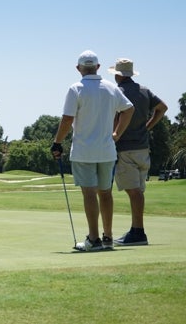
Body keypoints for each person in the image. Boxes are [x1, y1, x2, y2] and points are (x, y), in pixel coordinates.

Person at [51, 50, 135, 251]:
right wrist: (117, 133)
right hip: (107, 150)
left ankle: (94, 239)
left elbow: (67, 119)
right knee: (105, 193)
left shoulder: (76, 88)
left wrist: (57, 143)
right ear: (97, 67)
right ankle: (107, 237)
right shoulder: (110, 88)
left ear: (78, 68)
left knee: (89, 193)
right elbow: (129, 109)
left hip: (83, 151)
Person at [108, 58, 168, 246]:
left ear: (118, 75)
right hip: (143, 148)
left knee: (134, 191)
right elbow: (162, 108)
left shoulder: (117, 92)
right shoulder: (144, 91)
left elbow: (114, 118)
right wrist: (147, 127)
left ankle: (138, 232)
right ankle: (136, 230)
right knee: (137, 190)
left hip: (126, 149)